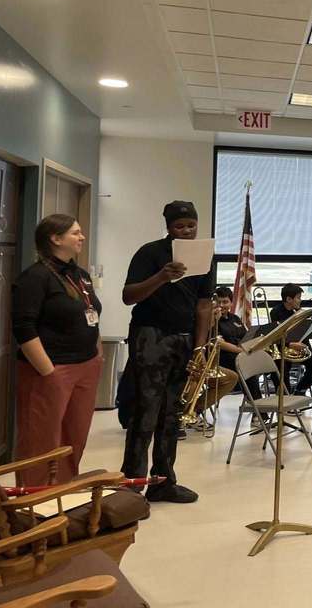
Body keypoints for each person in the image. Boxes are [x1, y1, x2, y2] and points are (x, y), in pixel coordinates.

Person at [121, 201, 213, 504]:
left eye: (191, 225)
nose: (186, 231)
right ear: (168, 227)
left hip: (184, 339)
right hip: (151, 335)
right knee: (145, 411)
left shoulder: (203, 256)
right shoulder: (150, 253)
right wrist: (162, 276)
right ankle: (132, 485)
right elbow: (128, 296)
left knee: (172, 414)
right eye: (179, 226)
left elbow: (204, 305)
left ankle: (163, 481)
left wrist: (199, 347)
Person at [10, 214, 103, 486]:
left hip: (86, 366)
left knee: (74, 437)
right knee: (41, 441)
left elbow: (92, 314)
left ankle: (64, 494)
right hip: (50, 369)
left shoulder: (80, 275)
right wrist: (48, 372)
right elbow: (24, 329)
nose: (82, 237)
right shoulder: (34, 277)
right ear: (55, 238)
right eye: (76, 233)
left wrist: (97, 353)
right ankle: (34, 504)